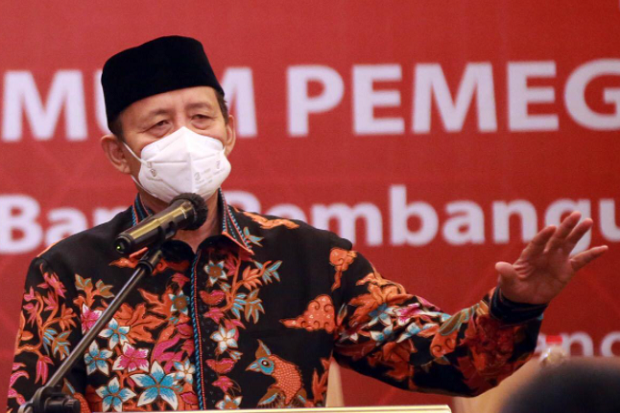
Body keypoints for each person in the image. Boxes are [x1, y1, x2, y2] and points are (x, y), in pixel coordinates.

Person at [7, 36, 608, 412]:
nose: (186, 137)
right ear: (120, 154)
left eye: (201, 117)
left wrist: (516, 305)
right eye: (159, 125)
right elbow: (33, 402)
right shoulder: (70, 271)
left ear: (230, 131)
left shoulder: (311, 260)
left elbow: (447, 361)